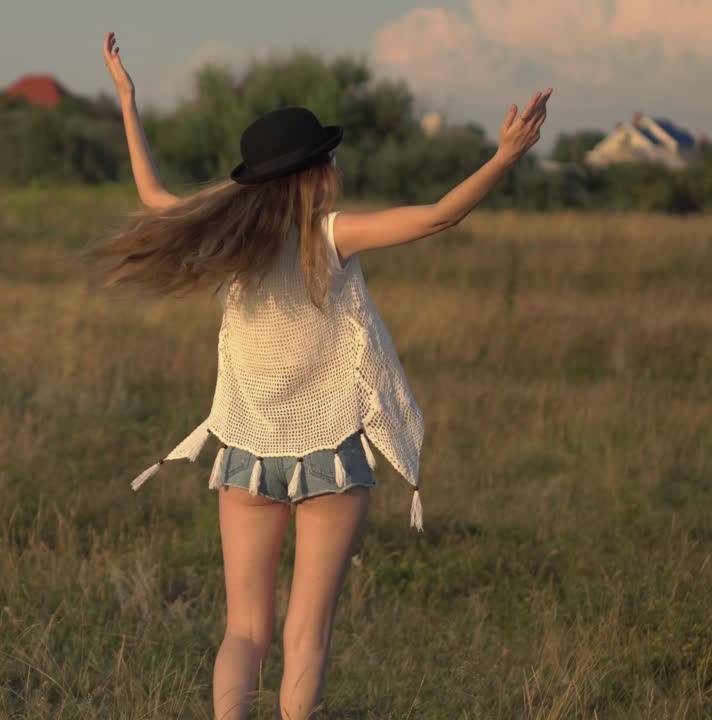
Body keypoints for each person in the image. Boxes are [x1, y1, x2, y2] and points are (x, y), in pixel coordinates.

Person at [86, 32, 551, 720]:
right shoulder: (331, 235)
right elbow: (440, 215)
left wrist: (127, 98)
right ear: (315, 172)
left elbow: (153, 194)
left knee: (244, 631)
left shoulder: (230, 237)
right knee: (308, 636)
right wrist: (505, 157)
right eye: (327, 158)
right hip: (331, 455)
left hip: (245, 458)